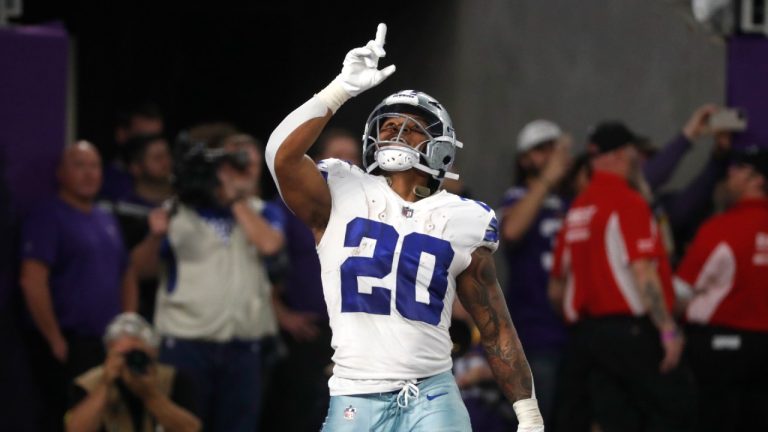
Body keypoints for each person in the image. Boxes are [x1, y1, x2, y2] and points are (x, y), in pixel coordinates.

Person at [265, 24, 543, 432]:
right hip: (354, 395)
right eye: (388, 126)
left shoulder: (463, 217)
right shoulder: (342, 189)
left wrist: (528, 412)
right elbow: (280, 157)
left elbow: (494, 324)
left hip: (433, 394)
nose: (396, 133)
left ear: (441, 146)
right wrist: (339, 89)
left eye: (412, 127)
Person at [131, 124, 284, 431]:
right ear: (216, 164)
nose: (245, 171)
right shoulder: (177, 211)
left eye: (252, 164)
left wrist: (233, 199)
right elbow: (139, 270)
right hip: (186, 345)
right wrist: (153, 237)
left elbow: (269, 244)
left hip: (243, 347)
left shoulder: (262, 210)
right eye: (236, 162)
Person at [549, 122, 695, 431]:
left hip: (584, 336)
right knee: (676, 409)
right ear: (619, 155)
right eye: (634, 154)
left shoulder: (577, 208)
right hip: (629, 335)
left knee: (600, 417)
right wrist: (668, 331)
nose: (638, 161)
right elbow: (643, 271)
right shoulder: (627, 202)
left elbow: (557, 287)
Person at [19, 141, 138, 430]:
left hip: (108, 345)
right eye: (79, 165)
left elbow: (127, 273)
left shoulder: (105, 218)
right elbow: (32, 280)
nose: (88, 173)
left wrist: (127, 327)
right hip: (69, 344)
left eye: (94, 166)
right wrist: (54, 339)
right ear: (61, 173)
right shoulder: (47, 215)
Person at [263, 128, 361, 432]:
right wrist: (281, 313)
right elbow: (259, 268)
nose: (346, 165)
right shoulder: (289, 208)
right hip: (306, 336)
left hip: (356, 339)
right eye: (337, 157)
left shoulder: (372, 212)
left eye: (353, 159)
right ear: (315, 162)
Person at [675, 147, 768, 432]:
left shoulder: (722, 228)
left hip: (720, 348)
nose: (728, 178)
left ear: (756, 179)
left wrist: (668, 330)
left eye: (735, 170)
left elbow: (680, 291)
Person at [499, 119, 571, 425]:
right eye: (541, 149)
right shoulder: (515, 199)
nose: (551, 155)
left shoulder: (573, 201)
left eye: (554, 148)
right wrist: (546, 180)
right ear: (525, 159)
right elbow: (512, 231)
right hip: (534, 334)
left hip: (574, 332)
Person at [65, 312, 201, 432]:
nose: (131, 361)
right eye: (123, 355)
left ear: (154, 353)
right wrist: (105, 385)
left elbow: (192, 429)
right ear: (108, 355)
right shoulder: (89, 382)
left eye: (138, 354)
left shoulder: (173, 379)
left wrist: (150, 396)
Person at [105, 133, 174, 321]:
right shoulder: (120, 212)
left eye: (167, 155)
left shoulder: (187, 206)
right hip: (147, 312)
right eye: (157, 157)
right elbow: (129, 271)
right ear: (136, 168)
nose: (166, 162)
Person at [101, 103, 165, 201]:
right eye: (144, 139)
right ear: (121, 134)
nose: (154, 147)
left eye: (157, 138)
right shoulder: (100, 181)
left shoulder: (169, 181)